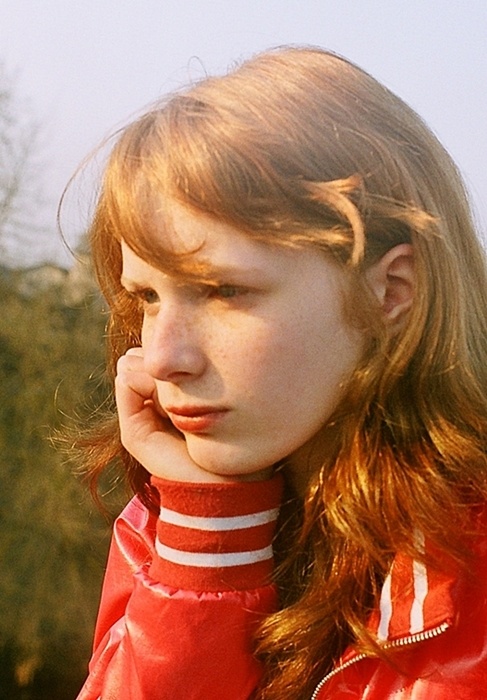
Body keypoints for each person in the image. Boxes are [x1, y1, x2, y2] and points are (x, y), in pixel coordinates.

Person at [74, 46, 487, 699]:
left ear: (390, 290)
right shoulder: (168, 522)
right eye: (147, 297)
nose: (161, 358)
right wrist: (208, 539)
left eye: (225, 291)